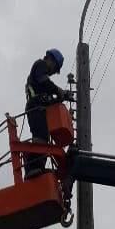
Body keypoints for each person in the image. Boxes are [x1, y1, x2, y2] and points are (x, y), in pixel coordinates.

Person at [24, 48, 73, 176]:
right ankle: (32, 168)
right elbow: (44, 82)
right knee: (40, 137)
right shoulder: (40, 64)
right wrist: (58, 90)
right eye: (55, 68)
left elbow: (48, 98)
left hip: (40, 108)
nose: (52, 72)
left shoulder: (43, 82)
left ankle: (38, 168)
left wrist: (60, 98)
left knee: (44, 139)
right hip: (35, 107)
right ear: (51, 60)